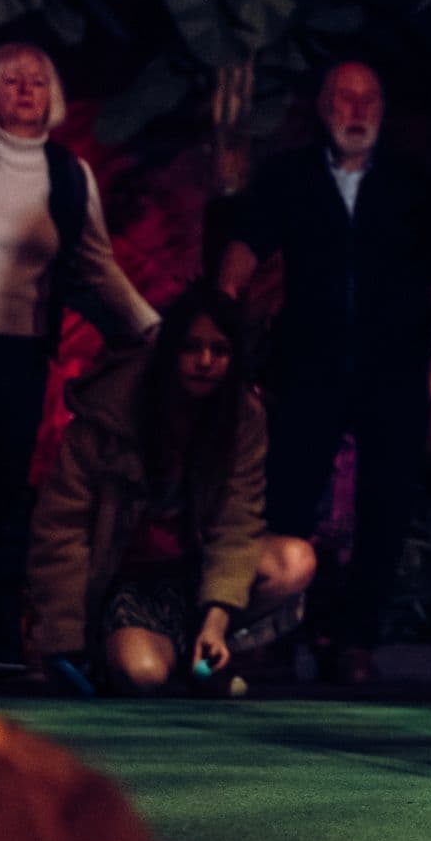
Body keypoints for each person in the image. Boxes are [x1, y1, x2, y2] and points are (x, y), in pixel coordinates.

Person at [0, 43, 164, 662]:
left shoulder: (70, 176)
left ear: (53, 98)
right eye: (11, 79)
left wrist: (158, 334)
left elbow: (98, 270)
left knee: (4, 499)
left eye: (37, 82)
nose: (25, 90)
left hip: (19, 357)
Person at [217, 61, 431, 682]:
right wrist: (222, 327)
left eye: (368, 99)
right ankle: (270, 633)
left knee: (386, 503)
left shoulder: (410, 183)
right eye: (344, 98)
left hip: (394, 369)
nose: (356, 110)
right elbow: (242, 250)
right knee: (288, 495)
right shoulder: (289, 175)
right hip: (308, 364)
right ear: (323, 107)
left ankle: (356, 643)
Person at [27, 282, 316, 694]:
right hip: (125, 582)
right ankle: (176, 662)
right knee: (141, 674)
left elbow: (238, 521)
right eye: (191, 347)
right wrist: (64, 643)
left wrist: (216, 620)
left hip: (197, 576)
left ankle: (207, 650)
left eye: (219, 350)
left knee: (294, 561)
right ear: (169, 350)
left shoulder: (241, 417)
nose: (204, 361)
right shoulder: (107, 416)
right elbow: (62, 532)